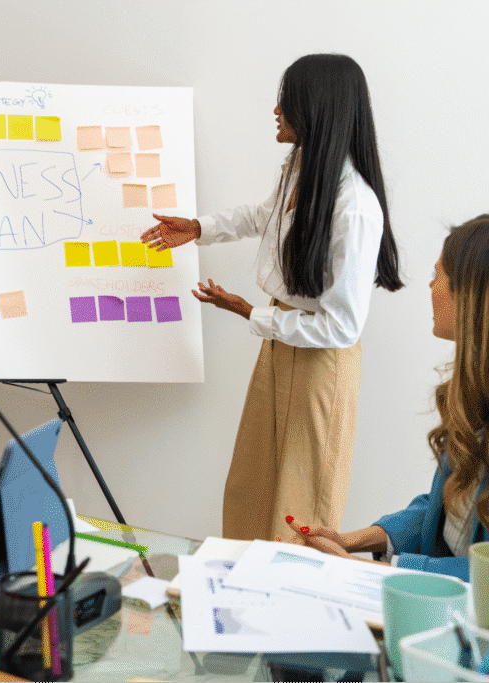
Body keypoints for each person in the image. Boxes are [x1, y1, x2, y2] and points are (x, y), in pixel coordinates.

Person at [141, 53, 403, 541]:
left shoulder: (355, 208)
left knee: (300, 504)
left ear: (316, 108)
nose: (277, 110)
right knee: (252, 484)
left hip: (321, 359)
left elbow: (341, 327)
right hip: (281, 343)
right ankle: (238, 579)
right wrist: (199, 228)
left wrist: (250, 313)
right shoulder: (303, 167)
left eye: (288, 99)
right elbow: (265, 216)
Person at [278, 215, 489, 581]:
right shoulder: (469, 399)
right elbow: (443, 512)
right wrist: (348, 541)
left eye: (438, 274)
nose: (430, 284)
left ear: (470, 293)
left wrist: (365, 569)